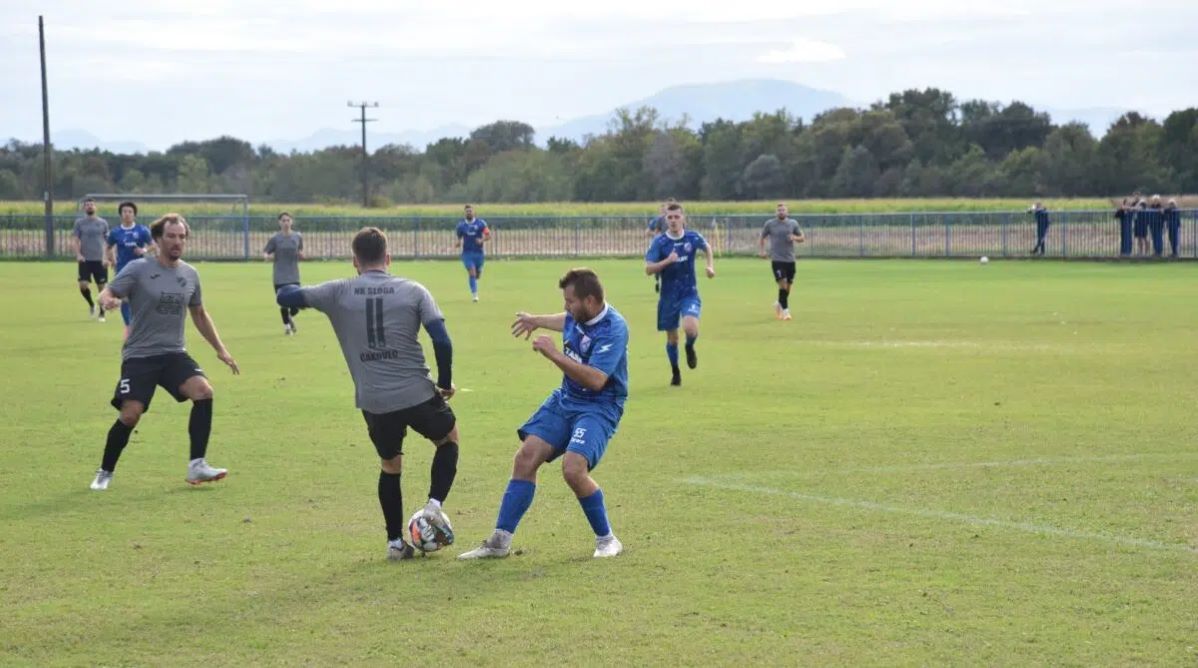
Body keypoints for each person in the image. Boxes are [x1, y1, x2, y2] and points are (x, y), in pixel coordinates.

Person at [276, 227, 459, 561]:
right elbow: (442, 340)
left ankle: (393, 543)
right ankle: (433, 507)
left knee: (390, 465)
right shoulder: (414, 290)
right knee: (448, 440)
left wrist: (292, 289)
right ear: (388, 258)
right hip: (417, 392)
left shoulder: (336, 291)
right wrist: (445, 383)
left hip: (374, 400)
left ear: (354, 262)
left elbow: (286, 298)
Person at [458, 268, 628, 560]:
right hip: (566, 400)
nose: (566, 306)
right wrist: (535, 320)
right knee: (526, 457)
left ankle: (607, 539)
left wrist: (554, 354)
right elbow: (566, 321)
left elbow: (596, 380)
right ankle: (499, 541)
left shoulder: (614, 327)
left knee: (574, 469)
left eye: (570, 301)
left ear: (590, 301)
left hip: (599, 406)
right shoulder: (577, 316)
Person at [90, 214, 240, 491]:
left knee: (204, 391)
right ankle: (105, 471)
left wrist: (221, 349)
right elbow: (107, 292)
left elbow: (198, 313)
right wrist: (108, 300)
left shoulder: (190, 274)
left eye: (182, 237)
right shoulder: (138, 268)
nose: (177, 242)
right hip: (140, 354)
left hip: (173, 354)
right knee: (130, 414)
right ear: (158, 240)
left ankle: (197, 464)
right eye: (171, 236)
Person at [644, 203, 714, 386]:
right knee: (672, 338)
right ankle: (675, 371)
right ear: (665, 219)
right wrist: (667, 261)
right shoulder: (660, 242)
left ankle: (690, 346)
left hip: (688, 292)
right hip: (668, 296)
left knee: (690, 327)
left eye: (677, 217)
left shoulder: (692, 237)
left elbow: (707, 247)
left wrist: (710, 266)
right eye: (670, 217)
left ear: (683, 218)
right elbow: (648, 269)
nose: (673, 221)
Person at [105, 201, 155, 337]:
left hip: (141, 270)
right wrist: (112, 260)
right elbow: (108, 247)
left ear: (134, 215)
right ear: (121, 214)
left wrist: (144, 249)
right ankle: (129, 325)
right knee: (125, 298)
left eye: (130, 212)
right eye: (124, 212)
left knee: (140, 297)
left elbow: (154, 245)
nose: (127, 214)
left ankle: (140, 323)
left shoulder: (142, 230)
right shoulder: (115, 232)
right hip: (122, 270)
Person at [758, 202, 805, 320]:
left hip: (790, 259)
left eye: (783, 210)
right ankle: (786, 312)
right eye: (779, 210)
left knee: (788, 286)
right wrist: (762, 251)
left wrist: (794, 238)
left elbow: (802, 238)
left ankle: (779, 303)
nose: (781, 212)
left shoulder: (793, 223)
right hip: (777, 259)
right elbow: (762, 237)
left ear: (787, 212)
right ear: (776, 212)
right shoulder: (770, 224)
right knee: (782, 283)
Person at [263, 212, 305, 335]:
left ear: (291, 222)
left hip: (293, 275)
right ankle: (287, 326)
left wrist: (301, 255)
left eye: (288, 220)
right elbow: (266, 252)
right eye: (283, 220)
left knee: (297, 304)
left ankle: (290, 317)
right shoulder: (275, 239)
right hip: (280, 276)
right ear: (279, 223)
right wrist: (266, 256)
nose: (286, 223)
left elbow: (300, 250)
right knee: (283, 303)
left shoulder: (297, 237)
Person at [73, 197, 110, 322]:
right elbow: (76, 240)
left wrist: (107, 257)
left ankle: (102, 312)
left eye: (91, 204)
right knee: (83, 285)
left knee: (102, 287)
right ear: (84, 208)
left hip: (100, 260)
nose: (89, 206)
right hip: (85, 260)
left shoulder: (103, 223)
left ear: (95, 207)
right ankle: (91, 304)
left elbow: (108, 242)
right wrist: (78, 254)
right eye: (87, 205)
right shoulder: (79, 223)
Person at [454, 204, 490, 302]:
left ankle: (479, 271)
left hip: (479, 253)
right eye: (467, 211)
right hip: (467, 253)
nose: (469, 213)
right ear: (464, 213)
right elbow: (459, 237)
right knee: (472, 273)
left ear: (474, 212)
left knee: (477, 275)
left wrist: (482, 240)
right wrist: (458, 242)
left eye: (470, 211)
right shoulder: (461, 226)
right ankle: (475, 295)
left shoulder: (481, 223)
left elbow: (488, 235)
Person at [645, 198, 676, 294]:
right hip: (663, 245)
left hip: (674, 245)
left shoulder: (679, 219)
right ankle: (659, 280)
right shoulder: (660, 219)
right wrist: (657, 238)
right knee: (660, 264)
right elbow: (653, 231)